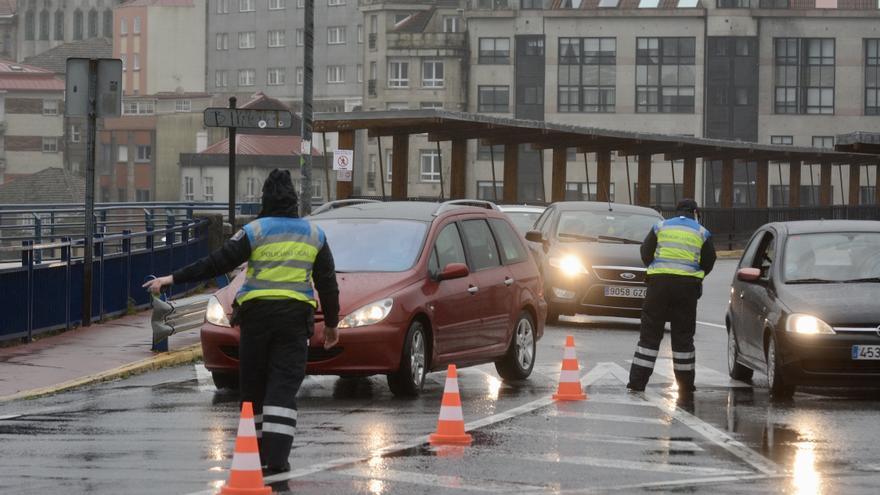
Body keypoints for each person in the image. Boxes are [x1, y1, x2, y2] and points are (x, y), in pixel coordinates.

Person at [143, 169, 339, 475]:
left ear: (265, 199)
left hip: (256, 319)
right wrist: (331, 324)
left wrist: (172, 278)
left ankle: (254, 453)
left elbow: (217, 262)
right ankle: (277, 460)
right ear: (294, 200)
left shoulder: (255, 231)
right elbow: (327, 283)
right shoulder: (315, 235)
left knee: (254, 387)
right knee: (283, 387)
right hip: (294, 320)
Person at [626, 198, 716, 401]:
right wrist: (696, 275)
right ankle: (685, 385)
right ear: (695, 212)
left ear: (677, 212)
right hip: (686, 288)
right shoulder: (702, 232)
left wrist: (658, 269)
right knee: (683, 337)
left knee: (649, 336)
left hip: (658, 286)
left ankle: (637, 383)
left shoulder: (661, 227)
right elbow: (709, 261)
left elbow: (645, 252)